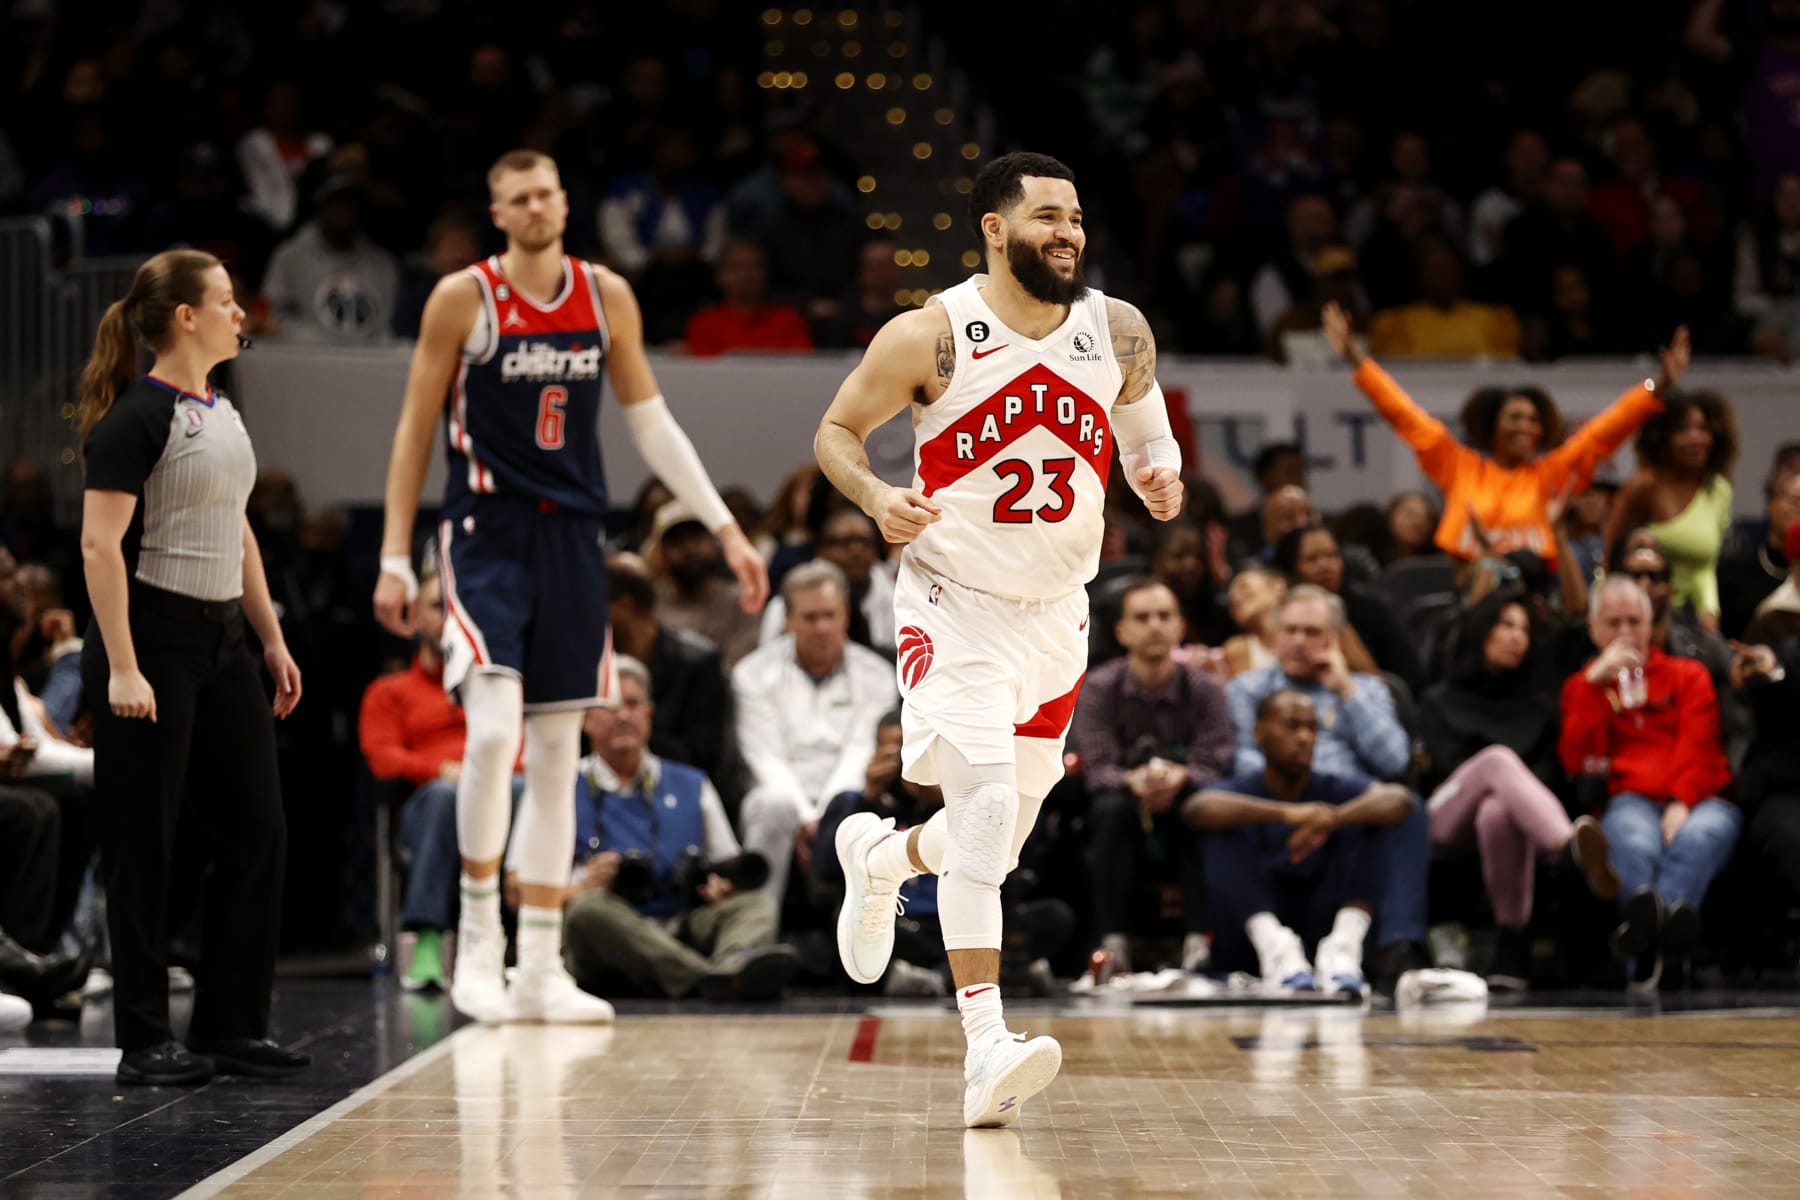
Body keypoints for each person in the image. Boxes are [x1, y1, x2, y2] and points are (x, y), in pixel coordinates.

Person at [813, 152, 1184, 1128]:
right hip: (954, 601)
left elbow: (1147, 432)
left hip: (1059, 615)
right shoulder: (932, 334)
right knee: (982, 821)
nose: (1068, 233)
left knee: (998, 842)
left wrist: (1157, 473)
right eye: (1047, 217)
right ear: (993, 228)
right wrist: (877, 495)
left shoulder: (1119, 331)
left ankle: (886, 859)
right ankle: (985, 1049)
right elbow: (837, 433)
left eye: (1075, 218)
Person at [371, 149, 769, 1026]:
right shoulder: (462, 298)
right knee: (490, 739)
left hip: (572, 540)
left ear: (562, 201)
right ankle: (481, 941)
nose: (538, 206)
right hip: (485, 534)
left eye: (548, 191)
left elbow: (652, 424)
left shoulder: (604, 295)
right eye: (519, 198)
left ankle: (542, 965)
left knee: (556, 757)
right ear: (499, 213)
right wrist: (396, 555)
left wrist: (729, 529)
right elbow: (411, 431)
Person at [74, 249, 307, 1086]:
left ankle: (230, 1024)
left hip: (224, 645)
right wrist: (124, 668)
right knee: (145, 839)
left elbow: (236, 528)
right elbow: (101, 545)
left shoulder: (221, 407)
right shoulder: (138, 417)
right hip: (155, 641)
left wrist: (270, 639)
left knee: (257, 831)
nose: (240, 313)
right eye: (226, 302)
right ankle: (143, 1040)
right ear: (185, 317)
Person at [1320, 301, 1686, 565]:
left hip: (1534, 606)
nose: (1524, 427)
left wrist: (1659, 383)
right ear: (1491, 423)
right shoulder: (1458, 465)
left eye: (1533, 420)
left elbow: (1610, 427)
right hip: (1467, 598)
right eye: (1514, 418)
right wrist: (1354, 356)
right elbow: (1402, 412)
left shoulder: (1551, 475)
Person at [561, 659, 798, 1001]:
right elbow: (514, 889)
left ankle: (726, 964)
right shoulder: (561, 786)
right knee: (587, 912)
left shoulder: (692, 783)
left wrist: (720, 887)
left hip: (681, 922)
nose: (623, 715)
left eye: (633, 704)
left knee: (758, 904)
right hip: (610, 944)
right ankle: (714, 978)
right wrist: (580, 886)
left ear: (649, 715)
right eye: (610, 706)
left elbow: (727, 864)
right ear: (586, 719)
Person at [1417, 589, 1618, 989]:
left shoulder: (1537, 705)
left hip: (1510, 819)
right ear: (1481, 630)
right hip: (1445, 813)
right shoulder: (1440, 700)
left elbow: (1544, 775)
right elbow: (1444, 767)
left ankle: (1511, 945)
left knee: (1498, 810)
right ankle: (1569, 849)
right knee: (1496, 761)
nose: (1516, 637)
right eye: (1506, 625)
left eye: (1524, 629)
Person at [1560, 577, 1740, 989]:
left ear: (1651, 625)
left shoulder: (1688, 675)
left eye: (1634, 621)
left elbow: (1699, 745)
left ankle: (1640, 945)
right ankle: (1669, 948)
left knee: (1700, 837)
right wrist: (1593, 687)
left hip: (1699, 796)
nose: (1625, 633)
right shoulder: (1582, 685)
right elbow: (1577, 759)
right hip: (1630, 798)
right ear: (1593, 629)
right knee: (1634, 840)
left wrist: (1681, 800)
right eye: (1613, 623)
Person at [1186, 691, 1414, 995]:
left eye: (1312, 728)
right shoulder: (1244, 788)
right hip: (1251, 936)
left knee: (1373, 820)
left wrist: (1333, 818)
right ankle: (1276, 950)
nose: (1305, 737)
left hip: (1322, 928)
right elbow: (1197, 808)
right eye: (1292, 726)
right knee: (1219, 829)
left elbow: (1399, 800)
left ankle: (1343, 950)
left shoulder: (1331, 787)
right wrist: (1287, 813)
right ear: (1259, 733)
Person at [1070, 578, 1235, 976]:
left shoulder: (1207, 689)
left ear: (1180, 628)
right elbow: (1097, 766)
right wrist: (1135, 782)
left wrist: (1181, 776)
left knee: (1202, 808)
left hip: (1185, 796)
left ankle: (1200, 942)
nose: (1155, 625)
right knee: (1109, 810)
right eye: (1143, 617)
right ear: (1122, 632)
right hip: (1123, 798)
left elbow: (1217, 762)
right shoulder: (1099, 687)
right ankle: (1112, 943)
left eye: (1164, 616)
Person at [1607, 391, 1740, 633]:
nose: (1695, 438)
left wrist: (1709, 610)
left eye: (1703, 430)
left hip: (1692, 618)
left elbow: (1705, 567)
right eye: (1683, 430)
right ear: (1664, 438)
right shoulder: (1643, 486)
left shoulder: (1719, 490)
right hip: (1635, 615)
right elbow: (1612, 556)